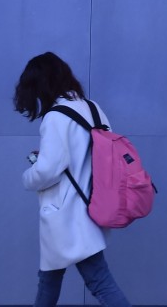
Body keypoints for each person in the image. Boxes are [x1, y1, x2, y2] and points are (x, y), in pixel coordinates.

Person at [14, 52, 132, 307]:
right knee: (49, 278)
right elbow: (90, 157)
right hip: (93, 205)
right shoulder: (92, 108)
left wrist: (28, 177)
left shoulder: (56, 117)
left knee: (97, 281)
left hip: (67, 215)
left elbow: (48, 171)